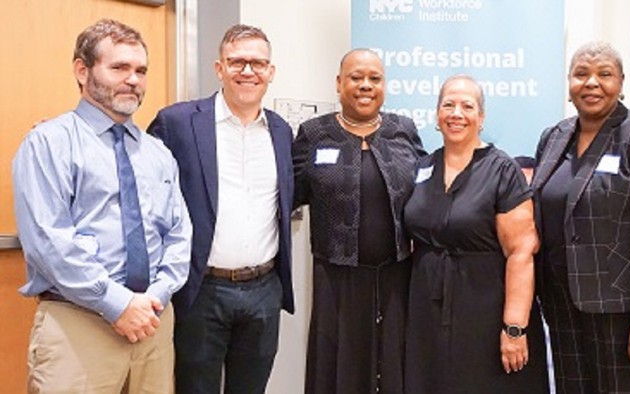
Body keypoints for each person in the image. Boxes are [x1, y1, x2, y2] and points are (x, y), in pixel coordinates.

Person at [12, 19, 191, 393]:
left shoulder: (157, 153)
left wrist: (154, 298)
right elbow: (49, 242)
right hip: (79, 323)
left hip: (153, 325)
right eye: (119, 67)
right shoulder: (49, 143)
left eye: (141, 70)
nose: (133, 79)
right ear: (82, 70)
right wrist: (117, 304)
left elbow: (179, 234)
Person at [147, 24, 294, 393]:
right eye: (238, 62)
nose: (248, 71)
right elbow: (141, 183)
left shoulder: (280, 131)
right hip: (201, 291)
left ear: (271, 72)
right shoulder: (177, 123)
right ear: (219, 68)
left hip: (263, 290)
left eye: (258, 63)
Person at [531, 41, 630, 393]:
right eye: (581, 74)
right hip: (561, 302)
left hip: (623, 310)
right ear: (569, 83)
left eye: (604, 74)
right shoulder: (553, 137)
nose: (592, 83)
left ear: (621, 82)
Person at [403, 75, 548, 393]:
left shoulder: (502, 170)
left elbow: (521, 252)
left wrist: (514, 328)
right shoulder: (422, 168)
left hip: (485, 311)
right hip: (427, 311)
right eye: (448, 105)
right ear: (436, 115)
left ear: (481, 118)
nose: (457, 113)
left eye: (467, 106)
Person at [293, 48, 424, 394]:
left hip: (397, 276)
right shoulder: (313, 134)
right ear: (339, 84)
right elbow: (286, 195)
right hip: (336, 279)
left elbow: (427, 194)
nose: (365, 85)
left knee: (396, 367)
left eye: (374, 78)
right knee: (337, 368)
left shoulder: (403, 130)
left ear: (384, 85)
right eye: (356, 78)